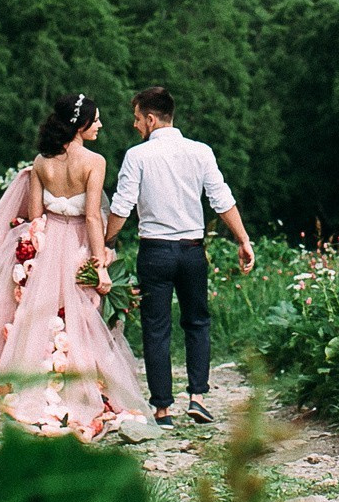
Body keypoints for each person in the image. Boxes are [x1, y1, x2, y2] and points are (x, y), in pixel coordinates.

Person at [0, 94, 150, 439]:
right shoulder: (95, 161)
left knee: (35, 319)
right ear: (80, 125)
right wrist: (100, 263)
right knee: (77, 321)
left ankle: (23, 388)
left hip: (45, 244)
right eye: (96, 120)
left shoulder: (41, 162)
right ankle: (72, 393)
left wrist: (34, 251)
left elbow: (34, 216)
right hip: (77, 246)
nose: (100, 126)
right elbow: (92, 216)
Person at [105, 86, 254, 425]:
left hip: (155, 252)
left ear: (151, 119)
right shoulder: (201, 152)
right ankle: (197, 398)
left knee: (156, 328)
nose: (135, 125)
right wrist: (243, 239)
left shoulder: (137, 156)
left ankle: (162, 409)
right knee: (197, 322)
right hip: (192, 252)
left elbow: (122, 206)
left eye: (137, 119)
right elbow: (221, 199)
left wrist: (107, 242)